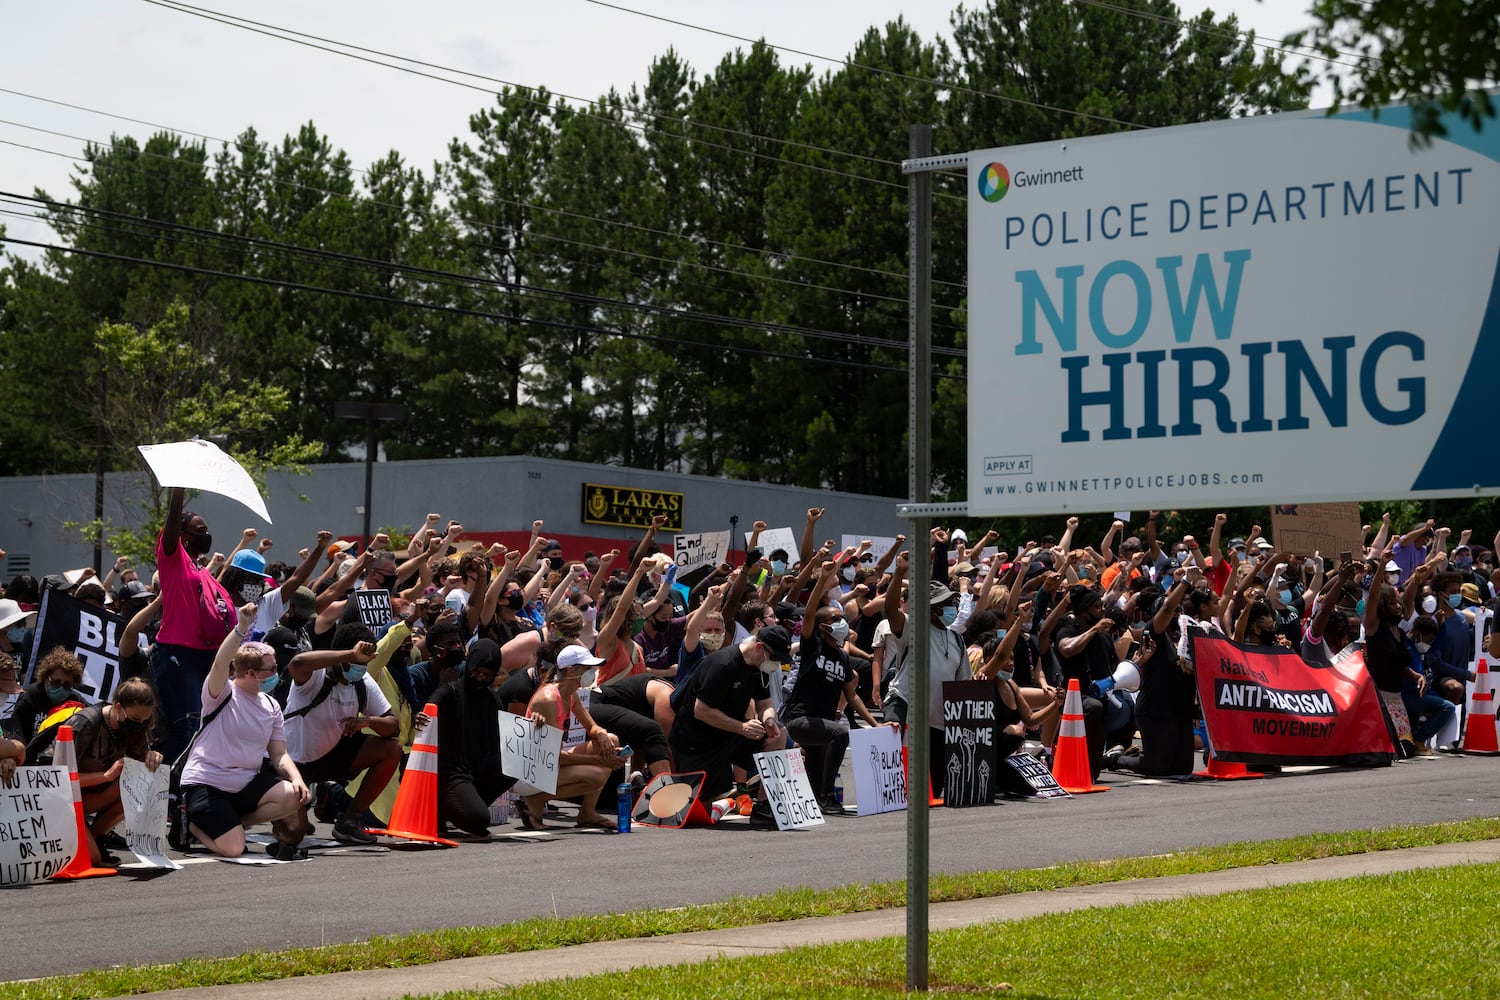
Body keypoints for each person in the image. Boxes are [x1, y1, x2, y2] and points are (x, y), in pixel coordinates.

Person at [179, 604, 312, 860]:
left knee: (290, 796)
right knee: (234, 849)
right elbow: (220, 662)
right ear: (251, 673)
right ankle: (192, 825)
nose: (277, 673)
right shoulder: (221, 694)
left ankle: (233, 825)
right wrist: (241, 628)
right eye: (271, 669)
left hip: (244, 783)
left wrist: (297, 779)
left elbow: (279, 755)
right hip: (208, 783)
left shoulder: (271, 705)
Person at [780, 560, 892, 814]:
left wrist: (876, 725)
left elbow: (852, 697)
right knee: (840, 734)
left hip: (821, 724)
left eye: (843, 618)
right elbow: (809, 613)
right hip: (801, 720)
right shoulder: (813, 646)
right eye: (837, 619)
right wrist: (824, 578)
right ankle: (829, 795)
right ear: (823, 627)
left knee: (814, 777)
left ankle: (818, 799)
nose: (843, 622)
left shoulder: (841, 657)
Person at [283, 624, 400, 845]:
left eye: (365, 661)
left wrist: (368, 721)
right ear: (342, 654)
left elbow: (393, 727)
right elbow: (297, 664)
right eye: (357, 661)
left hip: (331, 757)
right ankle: (283, 810)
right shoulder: (315, 676)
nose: (361, 667)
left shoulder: (362, 682)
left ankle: (350, 821)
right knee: (293, 834)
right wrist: (350, 654)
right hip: (294, 763)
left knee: (390, 748)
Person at [669, 625, 793, 824]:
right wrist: (742, 728)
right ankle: (723, 801)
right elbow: (701, 711)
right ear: (759, 647)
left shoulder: (760, 668)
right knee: (698, 817)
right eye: (775, 658)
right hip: (697, 739)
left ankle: (765, 807)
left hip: (730, 732)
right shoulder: (722, 664)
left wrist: (769, 719)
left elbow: (765, 705)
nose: (776, 664)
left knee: (779, 735)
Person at [152, 486, 236, 764]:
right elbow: (172, 521)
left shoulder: (199, 568)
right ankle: (171, 792)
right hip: (177, 652)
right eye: (199, 530)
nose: (206, 535)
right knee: (186, 722)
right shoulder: (172, 557)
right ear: (182, 534)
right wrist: (179, 489)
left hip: (206, 655)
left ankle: (193, 786)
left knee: (208, 723)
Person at [882, 547, 971, 797]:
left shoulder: (957, 640)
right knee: (900, 781)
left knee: (934, 789)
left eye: (953, 602)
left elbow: (963, 683)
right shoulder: (913, 628)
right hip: (906, 707)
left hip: (939, 721)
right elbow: (890, 610)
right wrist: (899, 572)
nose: (952, 606)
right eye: (946, 603)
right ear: (932, 608)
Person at [517, 645, 621, 831]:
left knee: (611, 741)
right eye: (587, 668)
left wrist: (602, 733)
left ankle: (587, 813)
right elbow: (555, 756)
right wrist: (601, 760)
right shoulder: (548, 698)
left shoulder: (570, 692)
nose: (592, 673)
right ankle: (533, 799)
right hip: (532, 770)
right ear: (572, 670)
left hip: (550, 763)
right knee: (596, 775)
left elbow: (592, 727)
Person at [64, 678, 164, 867]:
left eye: (145, 720)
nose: (140, 724)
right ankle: (86, 840)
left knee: (142, 784)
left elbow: (139, 759)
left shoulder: (133, 727)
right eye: (135, 719)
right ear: (118, 707)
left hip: (93, 795)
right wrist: (105, 776)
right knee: (92, 859)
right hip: (66, 799)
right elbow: (60, 779)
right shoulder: (85, 724)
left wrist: (151, 756)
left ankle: (95, 836)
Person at [8, 646, 86, 745]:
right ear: (45, 678)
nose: (61, 688)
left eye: (67, 685)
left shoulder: (76, 702)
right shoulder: (31, 695)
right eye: (56, 682)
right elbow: (14, 732)